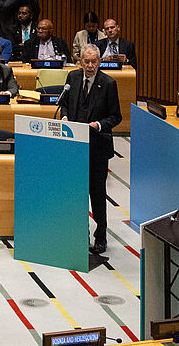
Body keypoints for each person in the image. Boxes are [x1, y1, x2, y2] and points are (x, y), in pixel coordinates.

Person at [57, 44, 121, 254]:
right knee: (76, 193)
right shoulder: (72, 79)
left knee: (97, 194)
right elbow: (65, 104)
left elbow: (115, 116)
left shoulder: (108, 84)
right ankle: (77, 234)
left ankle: (100, 237)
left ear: (99, 62)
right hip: (74, 148)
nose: (90, 65)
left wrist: (99, 125)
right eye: (87, 62)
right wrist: (64, 116)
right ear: (80, 62)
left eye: (94, 61)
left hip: (97, 149)